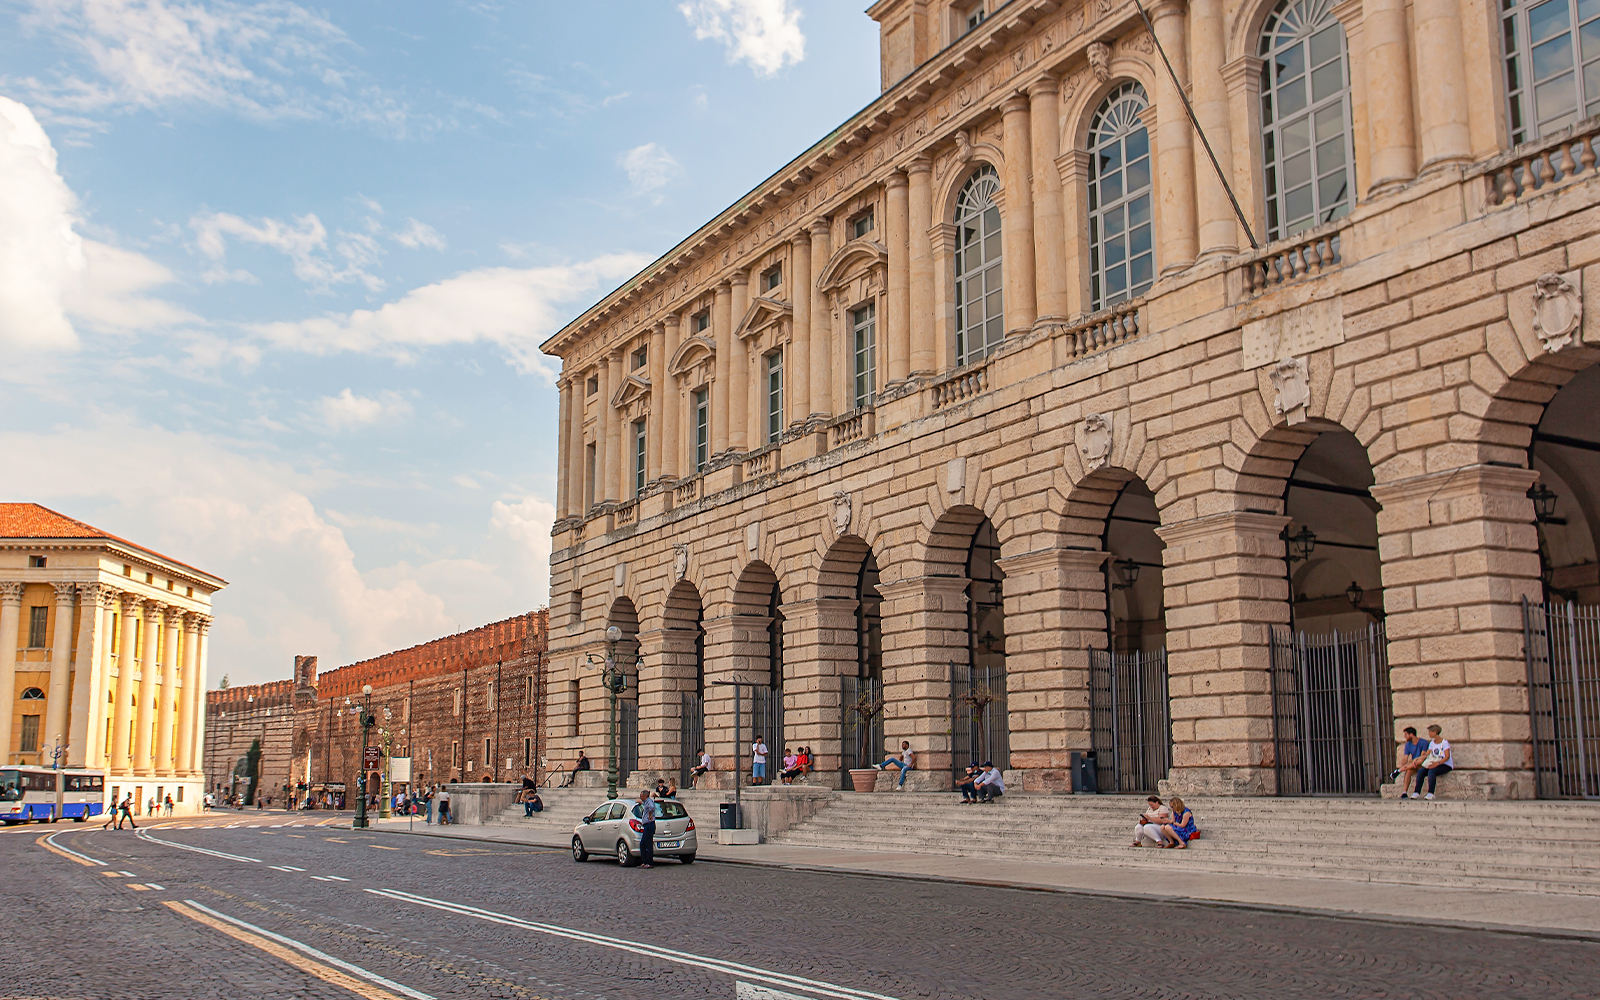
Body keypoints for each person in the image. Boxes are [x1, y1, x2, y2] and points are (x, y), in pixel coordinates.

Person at [1410, 724, 1455, 799]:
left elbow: (1447, 757)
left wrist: (1437, 763)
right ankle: (1416, 792)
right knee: (1421, 771)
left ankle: (1431, 793)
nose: (1429, 734)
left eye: (1430, 732)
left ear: (1435, 732)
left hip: (1445, 764)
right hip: (1434, 762)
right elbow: (1427, 754)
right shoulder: (1432, 743)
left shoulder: (1444, 743)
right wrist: (1417, 759)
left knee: (1432, 771)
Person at [1392, 726, 1428, 797]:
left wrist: (1414, 761)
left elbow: (1423, 756)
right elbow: (1405, 757)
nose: (1404, 737)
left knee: (1418, 762)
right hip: (1413, 764)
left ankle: (1399, 771)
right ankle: (1404, 792)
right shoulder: (1408, 745)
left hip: (1422, 763)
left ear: (1411, 734)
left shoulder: (1423, 742)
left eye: (1406, 734)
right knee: (1408, 770)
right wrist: (1403, 765)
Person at [635, 790, 657, 869]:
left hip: (649, 824)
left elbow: (651, 807)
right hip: (647, 825)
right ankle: (645, 861)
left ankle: (649, 862)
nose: (640, 797)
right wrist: (641, 802)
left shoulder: (649, 801)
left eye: (641, 796)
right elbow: (646, 806)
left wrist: (650, 815)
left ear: (645, 796)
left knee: (647, 844)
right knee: (643, 844)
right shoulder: (646, 802)